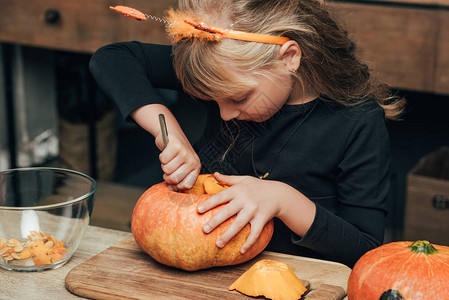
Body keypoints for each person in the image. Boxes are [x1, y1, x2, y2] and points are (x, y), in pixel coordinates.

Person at [89, 0, 405, 268]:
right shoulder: (224, 67)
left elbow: (365, 251)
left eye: (239, 99)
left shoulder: (358, 122)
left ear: (289, 57)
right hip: (214, 272)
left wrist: (283, 200)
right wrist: (168, 132)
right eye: (212, 100)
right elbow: (112, 58)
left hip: (302, 277)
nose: (224, 114)